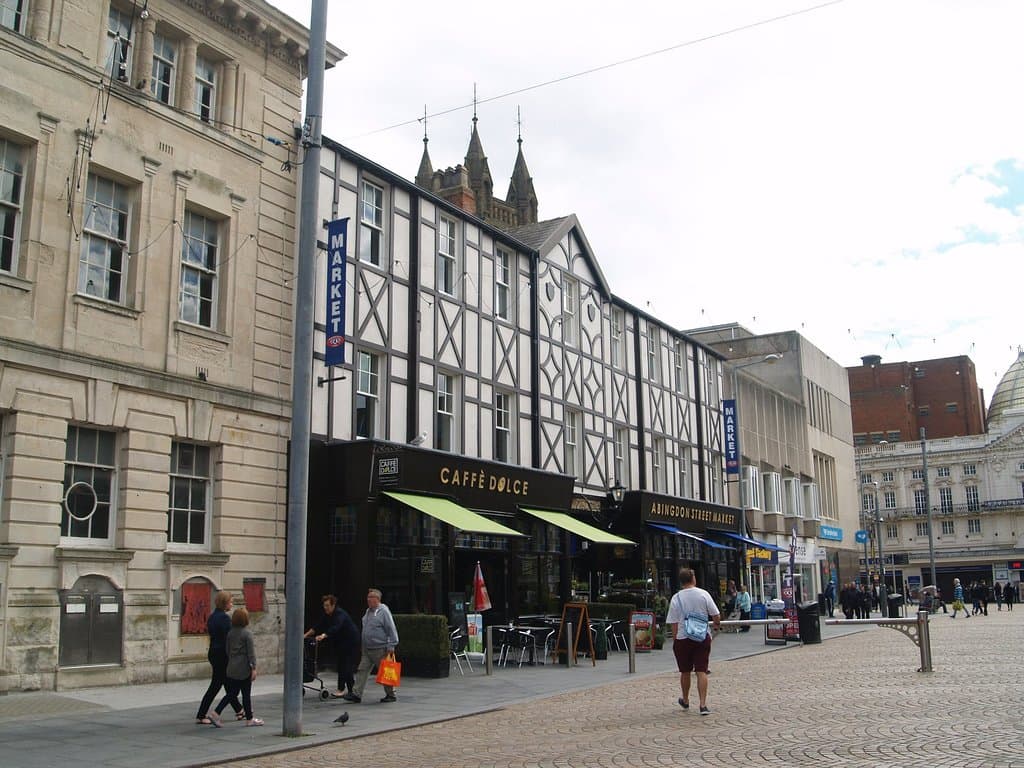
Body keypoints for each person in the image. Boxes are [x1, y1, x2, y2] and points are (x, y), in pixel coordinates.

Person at [665, 567, 721, 716]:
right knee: (701, 670)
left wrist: (676, 639)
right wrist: (716, 626)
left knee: (685, 671)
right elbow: (716, 615)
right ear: (693, 579)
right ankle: (703, 705)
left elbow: (673, 622)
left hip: (683, 637)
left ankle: (685, 699)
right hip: (702, 636)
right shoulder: (703, 594)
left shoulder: (676, 598)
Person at [344, 588, 400, 704]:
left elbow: (391, 628)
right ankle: (356, 694)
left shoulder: (383, 611)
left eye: (371, 597)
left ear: (377, 599)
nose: (368, 599)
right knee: (362, 670)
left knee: (386, 672)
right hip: (367, 648)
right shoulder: (368, 611)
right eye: (368, 597)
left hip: (381, 648)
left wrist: (391, 645)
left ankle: (391, 694)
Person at [195, 591, 243, 725]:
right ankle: (201, 714)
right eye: (230, 602)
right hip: (222, 654)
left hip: (214, 652)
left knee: (226, 683)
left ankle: (239, 710)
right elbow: (230, 638)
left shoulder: (212, 616)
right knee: (217, 685)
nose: (232, 604)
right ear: (225, 603)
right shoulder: (225, 618)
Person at [210, 607, 262, 726]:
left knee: (232, 693)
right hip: (243, 668)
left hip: (232, 666)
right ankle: (250, 719)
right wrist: (253, 668)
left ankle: (216, 712)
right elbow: (251, 653)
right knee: (246, 694)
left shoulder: (230, 633)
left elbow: (227, 650)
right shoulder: (247, 634)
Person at [305, 594, 361, 699]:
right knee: (343, 664)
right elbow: (318, 625)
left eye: (327, 605)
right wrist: (305, 635)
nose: (325, 607)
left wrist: (324, 635)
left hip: (350, 640)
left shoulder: (340, 614)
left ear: (333, 605)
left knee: (345, 665)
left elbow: (336, 627)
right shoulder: (327, 614)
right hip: (341, 641)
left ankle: (342, 689)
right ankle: (351, 690)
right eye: (324, 605)